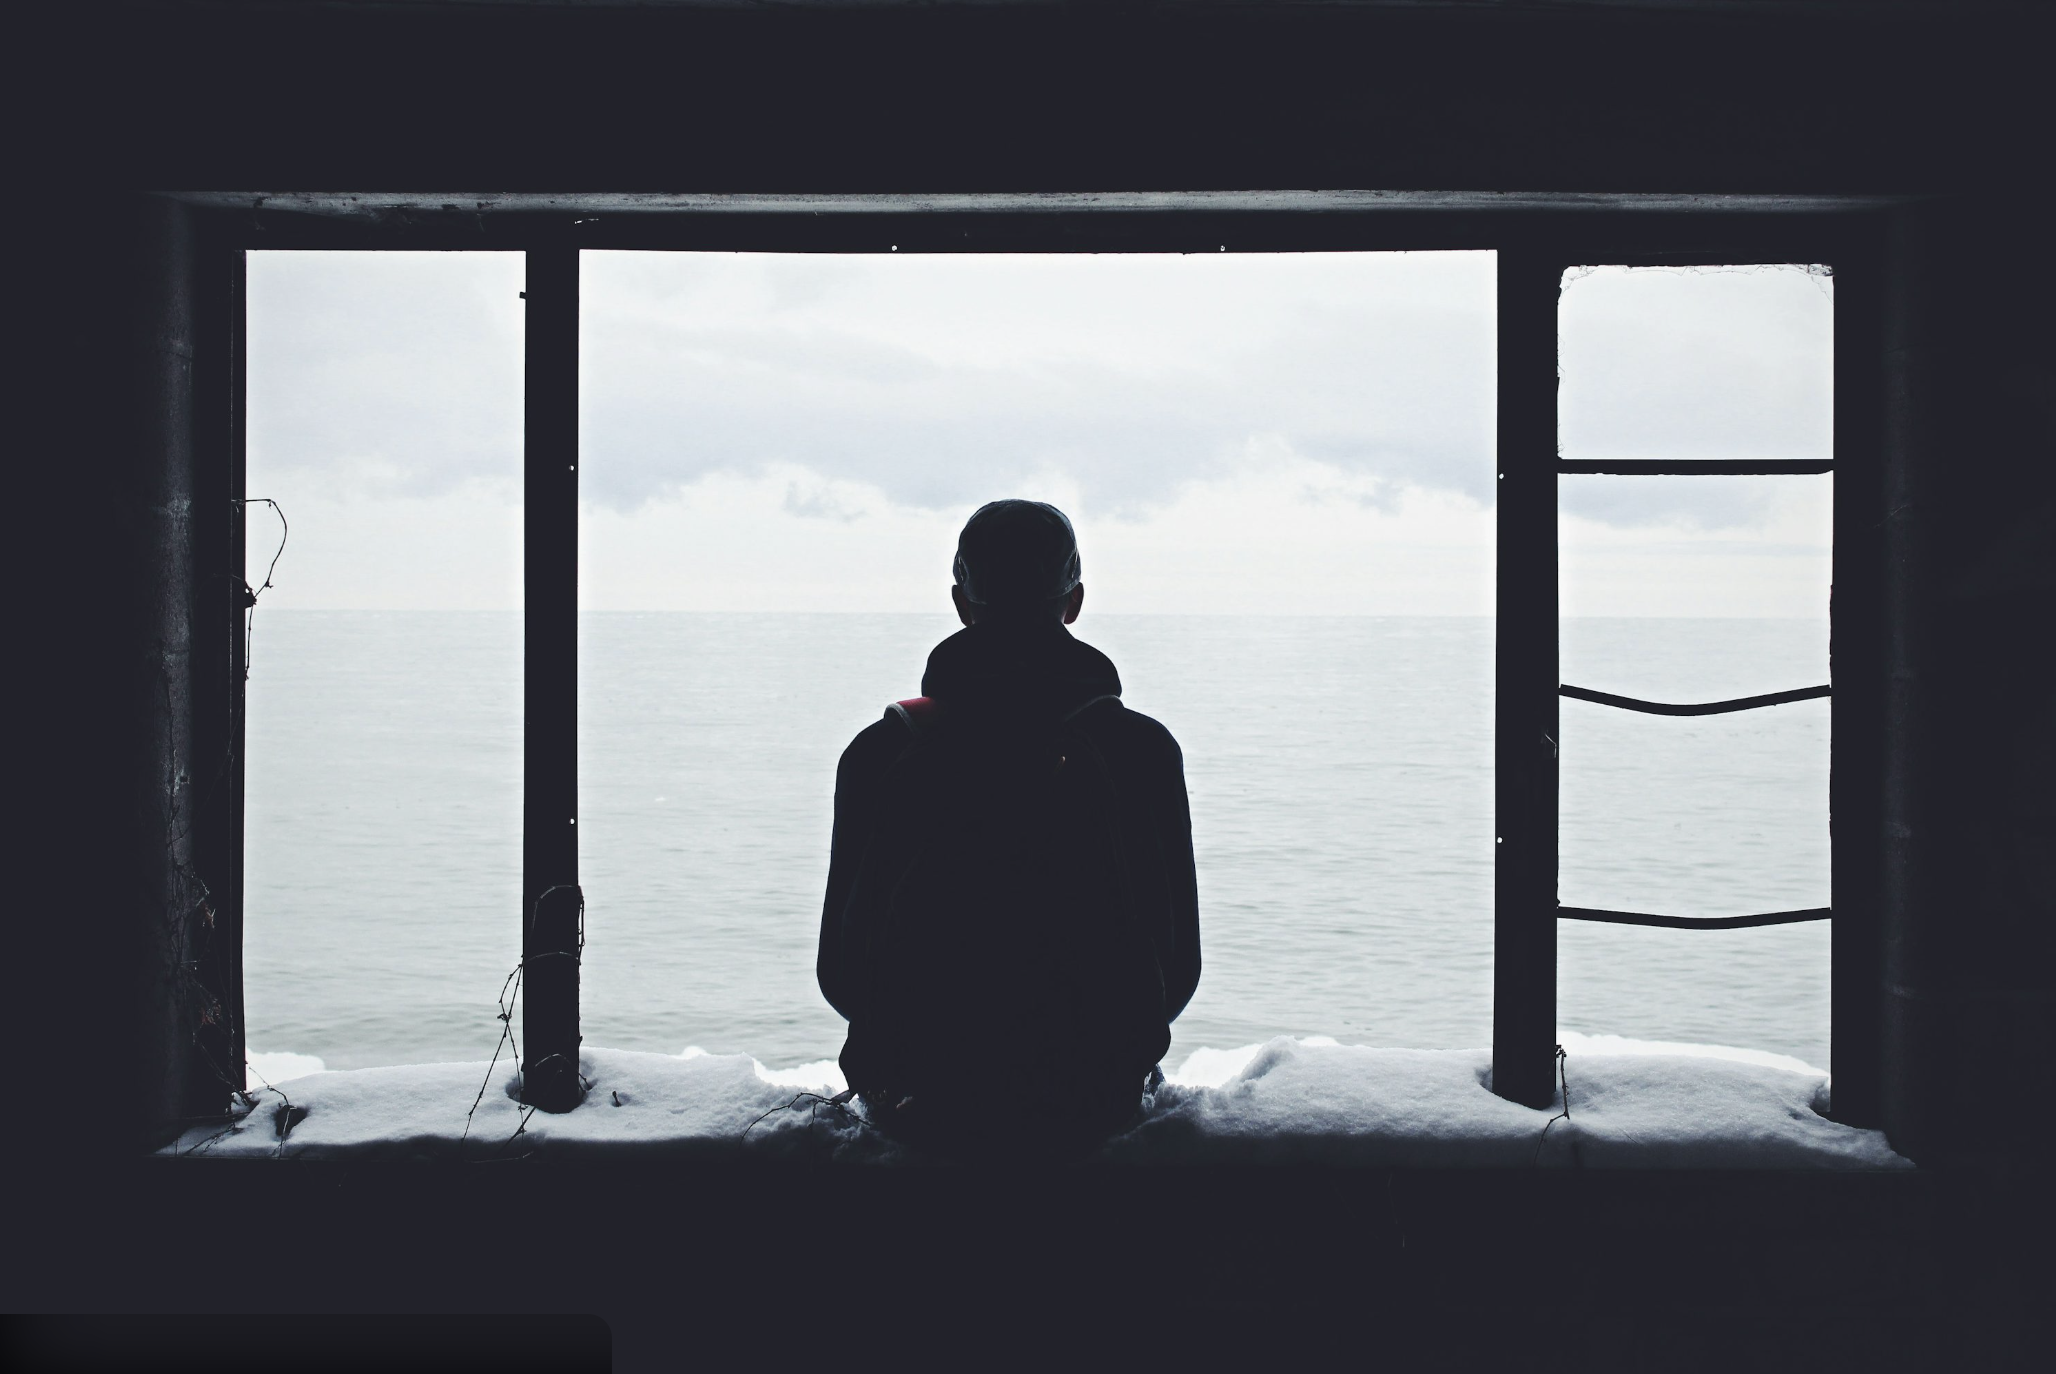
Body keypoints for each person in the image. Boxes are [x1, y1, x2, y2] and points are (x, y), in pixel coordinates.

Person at [816, 499, 1201, 1159]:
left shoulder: (882, 751)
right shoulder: (1142, 750)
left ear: (962, 603)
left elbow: (842, 976)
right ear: (1073, 601)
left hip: (920, 1101)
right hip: (1091, 1101)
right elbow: (1177, 971)